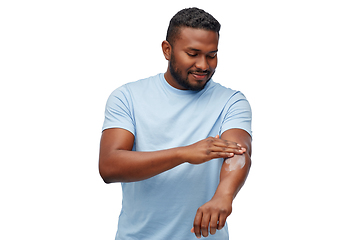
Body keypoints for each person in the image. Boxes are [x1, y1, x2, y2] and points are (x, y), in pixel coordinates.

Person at [99, 7, 252, 239]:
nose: (203, 65)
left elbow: (239, 152)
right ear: (167, 50)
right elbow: (109, 166)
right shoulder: (127, 97)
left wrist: (224, 195)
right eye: (193, 54)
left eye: (212, 55)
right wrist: (184, 153)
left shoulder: (231, 101)